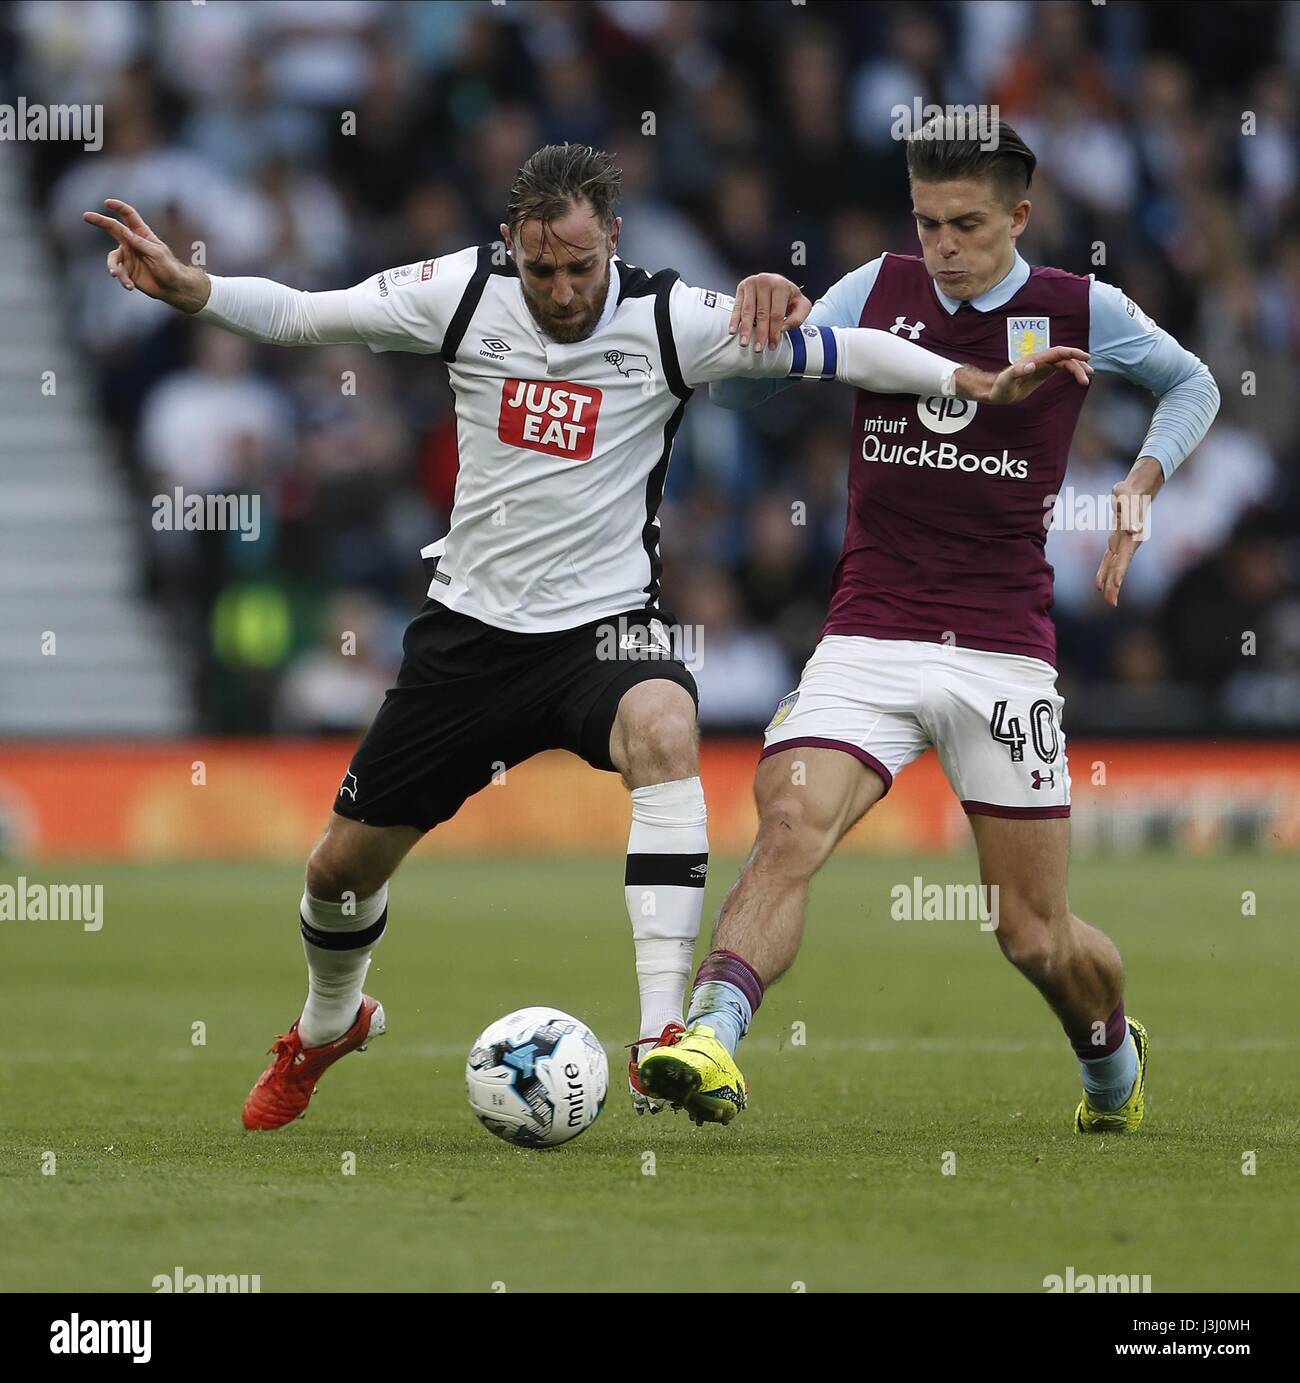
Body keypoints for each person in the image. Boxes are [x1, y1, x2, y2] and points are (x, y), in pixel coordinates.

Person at [86, 141, 1087, 1132]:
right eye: (539, 269)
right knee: (336, 875)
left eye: (578, 268)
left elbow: (837, 353)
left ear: (612, 238)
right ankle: (328, 1024)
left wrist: (969, 381)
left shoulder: (669, 318)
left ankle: (662, 1035)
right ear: (508, 247)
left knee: (663, 726)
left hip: (602, 632)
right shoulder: (457, 295)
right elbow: (308, 314)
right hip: (468, 640)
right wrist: (194, 288)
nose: (561, 291)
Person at [639, 120, 1219, 1133]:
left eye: (965, 225)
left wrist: (1141, 478)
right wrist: (767, 305)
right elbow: (781, 358)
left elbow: (1194, 382)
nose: (942, 246)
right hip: (868, 630)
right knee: (788, 825)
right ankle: (711, 1036)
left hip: (1001, 650)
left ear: (1020, 218)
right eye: (926, 223)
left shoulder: (1080, 307)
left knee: (1033, 937)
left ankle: (1111, 1063)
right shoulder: (876, 289)